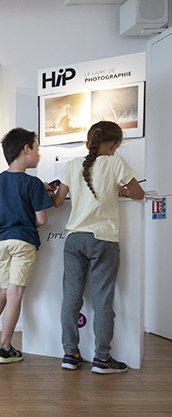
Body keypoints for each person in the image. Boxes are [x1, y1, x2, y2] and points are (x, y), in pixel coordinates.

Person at [50, 121, 144, 374]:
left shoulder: (71, 166)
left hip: (74, 240)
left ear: (88, 143)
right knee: (103, 300)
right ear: (114, 145)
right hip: (103, 239)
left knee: (70, 298)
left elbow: (59, 202)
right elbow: (139, 193)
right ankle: (102, 358)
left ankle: (70, 354)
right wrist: (120, 191)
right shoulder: (116, 164)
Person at [0, 127, 53, 364]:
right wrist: (29, 220)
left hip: (1, 243)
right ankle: (4, 348)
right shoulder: (33, 183)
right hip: (23, 242)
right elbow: (42, 219)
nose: (38, 154)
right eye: (37, 149)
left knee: (4, 291)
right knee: (15, 294)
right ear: (26, 149)